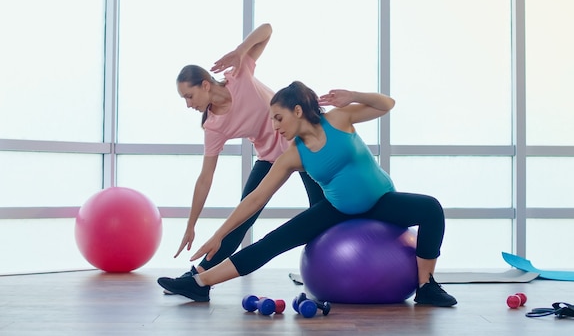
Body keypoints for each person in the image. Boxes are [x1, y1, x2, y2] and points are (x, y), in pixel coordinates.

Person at [158, 81, 457, 307]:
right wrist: (219, 235)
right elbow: (256, 198)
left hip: (381, 202)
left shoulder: (339, 119)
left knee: (431, 208)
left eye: (278, 118)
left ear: (297, 111)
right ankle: (200, 283)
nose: (275, 127)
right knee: (271, 242)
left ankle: (426, 286)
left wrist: (353, 96)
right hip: (336, 209)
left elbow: (386, 104)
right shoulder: (293, 155)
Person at [164, 24, 324, 299]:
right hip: (271, 158)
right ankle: (199, 279)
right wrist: (191, 224)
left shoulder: (239, 75)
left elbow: (267, 29)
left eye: (189, 96)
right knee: (241, 218)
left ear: (205, 85)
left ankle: (326, 273)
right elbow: (205, 178)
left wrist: (241, 50)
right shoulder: (214, 126)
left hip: (301, 146)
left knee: (320, 211)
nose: (188, 104)